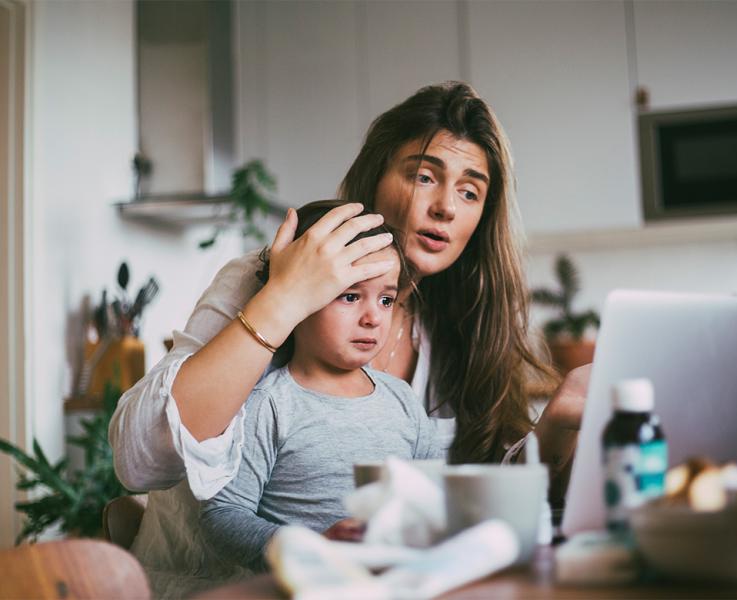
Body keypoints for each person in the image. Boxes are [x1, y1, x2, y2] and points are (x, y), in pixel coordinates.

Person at [109, 81, 588, 596]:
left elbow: (459, 484)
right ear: (374, 179)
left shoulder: (452, 324)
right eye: (425, 176)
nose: (446, 207)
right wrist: (286, 298)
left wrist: (552, 432)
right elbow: (137, 462)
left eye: (470, 191)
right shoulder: (266, 277)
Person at [198, 200, 442, 573]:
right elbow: (221, 517)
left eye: (386, 299)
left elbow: (434, 497)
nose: (373, 317)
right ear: (300, 295)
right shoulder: (270, 404)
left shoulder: (402, 401)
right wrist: (308, 548)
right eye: (349, 295)